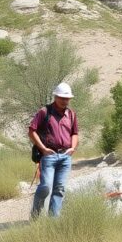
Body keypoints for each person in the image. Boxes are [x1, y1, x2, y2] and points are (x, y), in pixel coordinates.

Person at [29, 82, 79, 218]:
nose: (65, 101)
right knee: (45, 187)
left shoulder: (72, 115)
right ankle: (35, 216)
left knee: (59, 189)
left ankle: (53, 221)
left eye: (67, 98)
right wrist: (43, 148)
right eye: (62, 98)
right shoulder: (44, 112)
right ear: (55, 97)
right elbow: (31, 131)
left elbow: (75, 133)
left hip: (65, 156)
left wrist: (73, 148)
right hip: (49, 155)